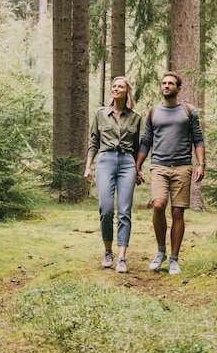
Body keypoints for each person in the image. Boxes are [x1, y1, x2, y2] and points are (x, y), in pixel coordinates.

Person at [135, 71, 205, 275]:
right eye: (163, 83)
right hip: (159, 166)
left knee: (177, 212)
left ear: (178, 88)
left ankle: (174, 259)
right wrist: (138, 166)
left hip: (183, 167)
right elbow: (146, 141)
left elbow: (198, 140)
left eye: (170, 83)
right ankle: (161, 252)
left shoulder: (188, 111)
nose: (166, 86)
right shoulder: (153, 112)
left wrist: (201, 164)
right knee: (158, 206)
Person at [84, 76, 143, 273]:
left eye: (121, 87)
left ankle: (122, 257)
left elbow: (136, 147)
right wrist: (88, 167)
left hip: (127, 163)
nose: (116, 89)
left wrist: (138, 169)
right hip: (105, 161)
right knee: (106, 209)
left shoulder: (135, 117)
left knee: (125, 211)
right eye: (114, 86)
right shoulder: (100, 114)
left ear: (127, 91)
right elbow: (93, 142)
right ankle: (108, 251)